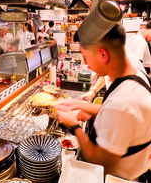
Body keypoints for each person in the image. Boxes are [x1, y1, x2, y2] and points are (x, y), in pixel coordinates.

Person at [55, 23, 151, 181]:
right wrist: (80, 105)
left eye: (85, 57)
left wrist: (73, 126)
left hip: (119, 178)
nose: (86, 63)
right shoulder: (135, 75)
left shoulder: (121, 104)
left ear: (103, 55)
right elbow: (123, 118)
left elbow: (100, 165)